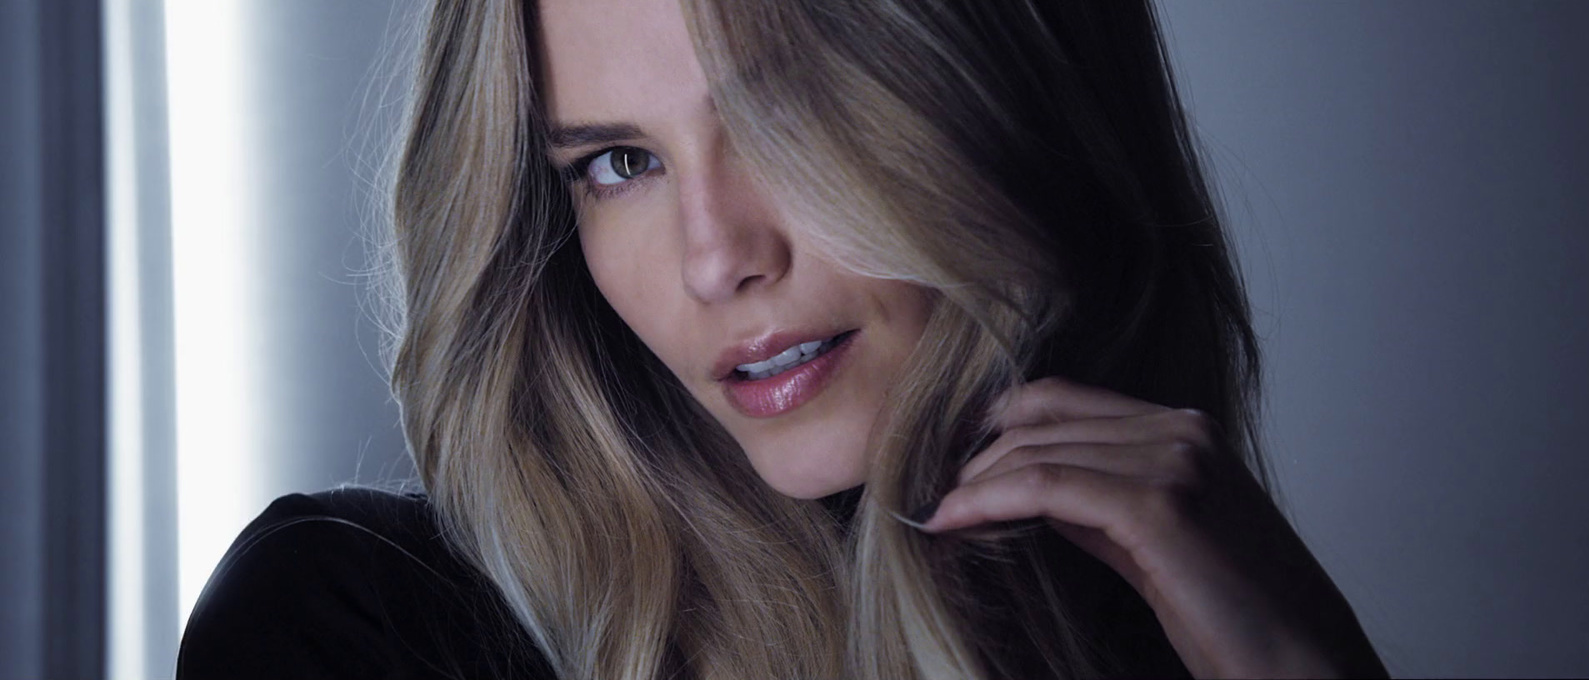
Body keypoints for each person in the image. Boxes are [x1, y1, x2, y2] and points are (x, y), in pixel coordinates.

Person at [177, 0, 1388, 677]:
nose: (716, 257)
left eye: (787, 115)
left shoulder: (1169, 624)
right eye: (618, 163)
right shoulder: (353, 625)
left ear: (993, 93)